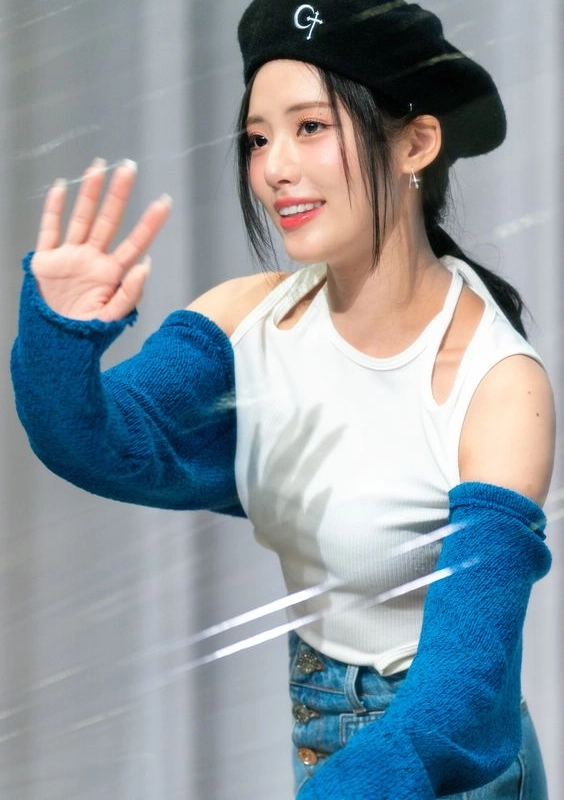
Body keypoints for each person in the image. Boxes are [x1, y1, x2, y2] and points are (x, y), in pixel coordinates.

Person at [10, 1, 555, 798]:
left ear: (416, 142)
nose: (274, 168)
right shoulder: (247, 321)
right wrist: (60, 336)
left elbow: (458, 699)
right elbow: (103, 445)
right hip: (325, 734)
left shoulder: (498, 386)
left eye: (310, 127)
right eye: (259, 138)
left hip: (452, 767)